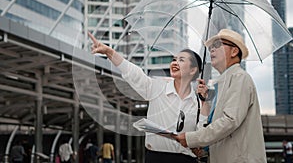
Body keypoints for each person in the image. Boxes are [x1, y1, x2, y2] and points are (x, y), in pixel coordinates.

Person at [88, 32, 209, 163]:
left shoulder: (199, 102)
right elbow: (134, 74)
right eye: (174, 59)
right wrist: (109, 52)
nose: (174, 62)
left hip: (186, 160)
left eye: (181, 60)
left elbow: (202, 136)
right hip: (156, 158)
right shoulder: (157, 87)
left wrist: (199, 145)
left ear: (193, 70)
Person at [174, 29, 267, 163]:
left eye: (217, 45)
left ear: (234, 51)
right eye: (211, 47)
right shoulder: (223, 83)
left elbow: (229, 121)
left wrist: (192, 139)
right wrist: (204, 148)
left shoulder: (239, 78)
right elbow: (221, 128)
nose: (212, 50)